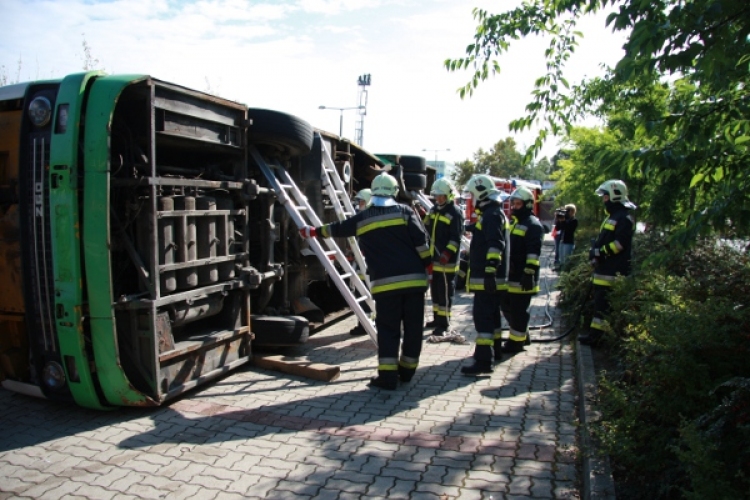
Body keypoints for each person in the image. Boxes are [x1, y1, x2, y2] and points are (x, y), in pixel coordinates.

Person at [299, 172, 431, 389]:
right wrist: (429, 267)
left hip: (386, 285)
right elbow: (422, 244)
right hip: (414, 283)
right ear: (395, 192)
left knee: (388, 331)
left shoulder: (364, 217)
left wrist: (312, 231)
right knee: (413, 329)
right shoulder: (406, 212)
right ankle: (407, 372)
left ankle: (388, 378)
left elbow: (337, 228)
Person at [460, 174, 508, 375]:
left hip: (487, 279)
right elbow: (484, 232)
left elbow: (495, 245)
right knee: (493, 316)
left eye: (472, 194)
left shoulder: (491, 215)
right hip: (493, 279)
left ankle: (483, 361)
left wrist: (489, 272)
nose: (471, 198)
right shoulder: (491, 213)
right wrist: (467, 228)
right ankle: (495, 351)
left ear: (481, 193)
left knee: (483, 318)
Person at [578, 180, 636, 346]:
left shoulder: (623, 218)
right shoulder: (613, 217)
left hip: (613, 271)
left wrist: (600, 252)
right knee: (600, 307)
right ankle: (595, 336)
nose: (603, 200)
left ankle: (599, 339)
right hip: (604, 270)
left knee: (604, 308)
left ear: (614, 195)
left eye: (605, 197)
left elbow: (619, 244)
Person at [498, 186, 544, 354]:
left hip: (523, 277)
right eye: (514, 203)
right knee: (506, 305)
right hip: (512, 275)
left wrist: (528, 273)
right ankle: (522, 334)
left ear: (527, 205)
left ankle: (516, 343)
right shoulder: (517, 223)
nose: (514, 207)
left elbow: (534, 252)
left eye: (518, 204)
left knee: (518, 311)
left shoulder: (533, 225)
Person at [423, 178, 464, 340]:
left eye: (441, 196)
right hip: (434, 260)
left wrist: (447, 253)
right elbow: (426, 227)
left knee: (445, 293)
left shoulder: (455, 212)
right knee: (435, 293)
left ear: (449, 195)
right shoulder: (433, 210)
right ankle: (436, 319)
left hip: (448, 263)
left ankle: (444, 323)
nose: (438, 199)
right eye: (436, 196)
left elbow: (456, 237)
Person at [347, 187, 373, 336]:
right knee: (361, 294)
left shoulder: (368, 217)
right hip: (361, 262)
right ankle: (364, 323)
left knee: (365, 295)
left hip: (367, 264)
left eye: (362, 201)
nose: (359, 204)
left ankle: (364, 326)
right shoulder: (363, 216)